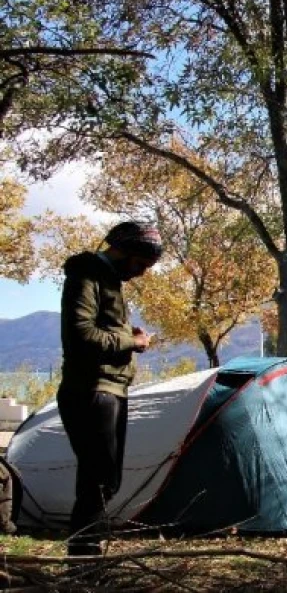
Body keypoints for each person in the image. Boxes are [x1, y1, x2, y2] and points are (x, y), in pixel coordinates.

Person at [57, 221, 162, 556]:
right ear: (123, 251)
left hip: (110, 390)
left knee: (103, 481)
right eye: (140, 264)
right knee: (99, 481)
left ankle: (87, 560)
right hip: (91, 390)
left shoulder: (108, 281)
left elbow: (98, 329)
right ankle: (84, 564)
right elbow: (81, 335)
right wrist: (131, 340)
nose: (142, 273)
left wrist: (122, 332)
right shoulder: (86, 273)